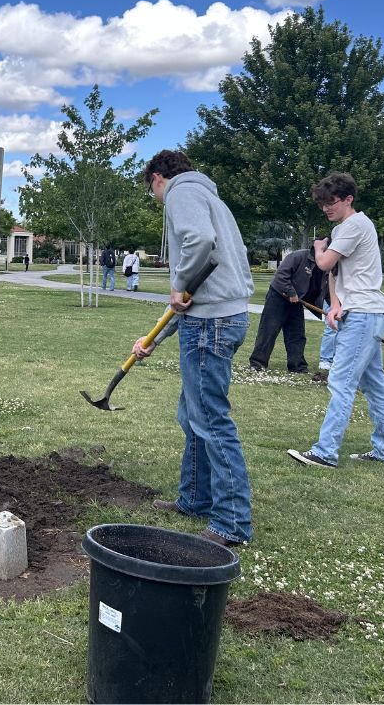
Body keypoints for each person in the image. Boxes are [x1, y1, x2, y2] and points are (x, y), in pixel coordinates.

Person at [134, 150, 254, 548]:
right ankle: (195, 499)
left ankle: (232, 522)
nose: (155, 198)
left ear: (157, 178)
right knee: (193, 415)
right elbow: (190, 298)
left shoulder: (181, 193)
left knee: (211, 420)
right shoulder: (209, 197)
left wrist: (178, 281)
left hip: (210, 324)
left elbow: (198, 244)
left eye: (151, 190)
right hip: (218, 318)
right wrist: (153, 339)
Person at [288, 172, 384, 468]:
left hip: (365, 312)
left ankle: (325, 453)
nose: (326, 208)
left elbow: (325, 263)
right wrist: (335, 305)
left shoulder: (355, 225)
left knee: (341, 380)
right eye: (322, 204)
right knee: (374, 384)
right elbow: (334, 273)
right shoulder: (342, 228)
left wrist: (318, 249)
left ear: (348, 199)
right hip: (361, 311)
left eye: (331, 202)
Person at [249, 248, 327, 373]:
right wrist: (291, 292)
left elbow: (324, 288)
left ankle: (297, 366)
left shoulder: (324, 265)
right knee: (269, 330)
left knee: (297, 333)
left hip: (297, 300)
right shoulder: (297, 256)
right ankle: (257, 363)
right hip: (278, 295)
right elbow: (281, 275)